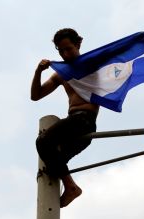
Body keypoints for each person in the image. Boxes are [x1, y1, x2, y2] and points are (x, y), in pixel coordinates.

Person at [31, 28, 99, 208]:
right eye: (61, 51)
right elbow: (36, 95)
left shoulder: (92, 65)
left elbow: (115, 61)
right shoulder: (61, 73)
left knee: (43, 142)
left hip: (84, 121)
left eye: (68, 49)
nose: (65, 54)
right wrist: (39, 70)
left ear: (78, 44)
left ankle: (70, 187)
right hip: (74, 124)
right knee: (53, 167)